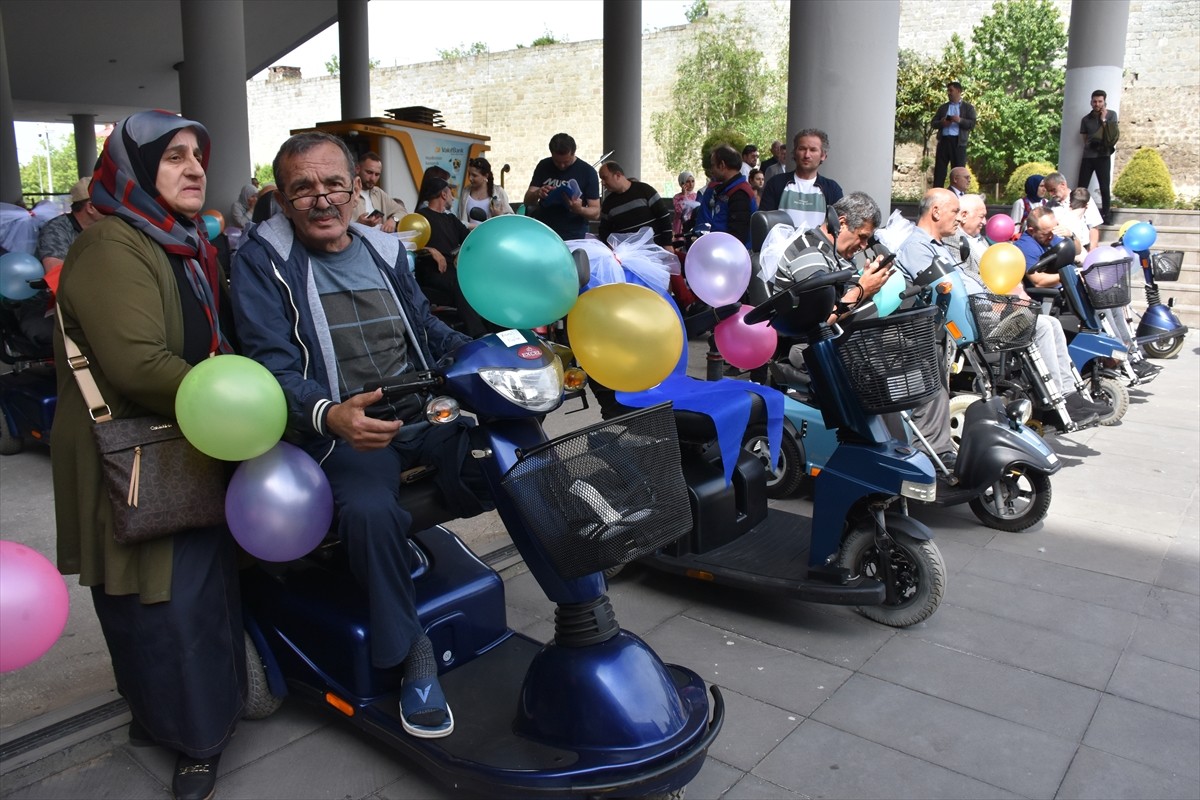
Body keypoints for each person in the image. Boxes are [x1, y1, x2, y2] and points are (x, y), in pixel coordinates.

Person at [232, 131, 484, 741]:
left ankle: (580, 603)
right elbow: (272, 367)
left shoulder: (384, 249)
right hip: (345, 431)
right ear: (282, 201)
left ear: (356, 189)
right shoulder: (262, 261)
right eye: (303, 189)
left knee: (509, 454)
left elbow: (425, 328)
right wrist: (329, 415)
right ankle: (412, 655)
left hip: (422, 411)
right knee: (371, 511)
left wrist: (489, 351)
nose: (322, 200)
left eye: (334, 185)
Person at [50, 110, 244, 800]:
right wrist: (242, 404)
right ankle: (193, 740)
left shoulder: (181, 240)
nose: (194, 168)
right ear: (132, 169)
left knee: (188, 590)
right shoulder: (113, 244)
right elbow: (137, 365)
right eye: (173, 156)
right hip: (135, 451)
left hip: (185, 436)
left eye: (198, 155)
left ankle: (180, 715)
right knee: (162, 597)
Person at [952, 193, 1106, 424]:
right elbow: (978, 282)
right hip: (986, 311)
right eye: (981, 216)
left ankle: (1068, 392)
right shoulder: (958, 243)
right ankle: (1056, 399)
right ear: (964, 216)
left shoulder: (980, 241)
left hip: (1001, 302)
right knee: (1042, 326)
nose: (985, 221)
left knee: (1052, 324)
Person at [894, 188, 962, 466]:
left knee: (939, 388)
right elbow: (942, 286)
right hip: (913, 332)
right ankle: (930, 451)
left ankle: (938, 448)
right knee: (931, 388)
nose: (959, 218)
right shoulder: (916, 247)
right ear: (935, 212)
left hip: (933, 330)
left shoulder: (939, 246)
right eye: (955, 211)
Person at [416, 177, 490, 337]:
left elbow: (469, 240)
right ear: (443, 194)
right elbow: (408, 244)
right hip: (433, 271)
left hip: (453, 269)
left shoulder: (450, 219)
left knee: (482, 277)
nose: (453, 197)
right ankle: (479, 335)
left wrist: (462, 252)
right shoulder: (420, 217)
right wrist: (430, 250)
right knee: (461, 282)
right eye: (450, 193)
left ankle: (497, 329)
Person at [760, 129, 844, 232]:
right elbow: (763, 225)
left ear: (823, 156)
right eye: (802, 149)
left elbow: (838, 229)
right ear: (794, 153)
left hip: (819, 243)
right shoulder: (776, 183)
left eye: (813, 150)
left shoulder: (832, 189)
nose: (807, 155)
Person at [523, 132, 600, 240]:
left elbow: (596, 212)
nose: (562, 166)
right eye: (557, 162)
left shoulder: (588, 172)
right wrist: (537, 193)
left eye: (566, 162)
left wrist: (580, 209)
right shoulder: (543, 165)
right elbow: (527, 200)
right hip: (545, 230)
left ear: (573, 153)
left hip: (573, 233)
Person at [597, 160, 673, 248]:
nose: (603, 183)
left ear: (618, 175)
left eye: (605, 178)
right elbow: (604, 230)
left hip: (654, 248)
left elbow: (664, 216)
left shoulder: (645, 190)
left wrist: (667, 243)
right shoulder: (608, 204)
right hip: (627, 253)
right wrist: (610, 244)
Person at [693, 144, 757, 248]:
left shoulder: (739, 193)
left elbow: (737, 237)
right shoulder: (727, 190)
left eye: (713, 165)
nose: (711, 170)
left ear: (722, 165)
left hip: (731, 254)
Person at [36, 177, 102, 269]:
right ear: (91, 207)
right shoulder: (54, 229)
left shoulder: (106, 227)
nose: (114, 208)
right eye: (108, 203)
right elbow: (56, 271)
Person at [1078, 89, 1119, 224]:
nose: (1097, 104)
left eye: (1100, 101)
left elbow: (1112, 134)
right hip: (1088, 156)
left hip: (1103, 155)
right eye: (1095, 101)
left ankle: (1106, 215)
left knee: (1104, 187)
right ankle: (1079, 213)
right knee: (1082, 186)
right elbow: (1085, 139)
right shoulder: (1086, 119)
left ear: (1104, 102)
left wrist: (1103, 120)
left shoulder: (1111, 115)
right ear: (1091, 102)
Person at [931, 81, 977, 190]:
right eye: (948, 91)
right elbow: (933, 123)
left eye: (951, 90)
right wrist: (942, 123)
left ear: (958, 91)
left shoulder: (968, 108)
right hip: (944, 141)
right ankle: (937, 194)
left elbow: (972, 124)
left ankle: (957, 196)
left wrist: (959, 120)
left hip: (958, 143)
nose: (949, 93)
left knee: (958, 173)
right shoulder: (943, 108)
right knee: (939, 171)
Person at [351, 151, 406, 232]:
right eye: (369, 172)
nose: (373, 178)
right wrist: (358, 224)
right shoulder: (346, 192)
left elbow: (402, 211)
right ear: (357, 169)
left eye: (377, 174)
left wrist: (393, 220)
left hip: (379, 239)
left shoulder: (378, 193)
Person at [458, 156, 513, 229]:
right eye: (469, 174)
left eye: (474, 175)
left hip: (492, 233)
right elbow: (461, 218)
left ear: (486, 176)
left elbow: (511, 218)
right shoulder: (466, 192)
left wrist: (499, 216)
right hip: (471, 235)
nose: (470, 178)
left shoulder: (498, 191)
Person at [1010, 174, 1045, 239]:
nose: (1044, 189)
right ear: (1033, 187)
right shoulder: (1021, 203)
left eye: (1045, 186)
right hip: (1025, 240)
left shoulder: (1046, 203)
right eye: (1041, 186)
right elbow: (1014, 227)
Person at [672, 170, 698, 240]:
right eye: (688, 182)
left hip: (692, 225)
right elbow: (679, 211)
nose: (691, 184)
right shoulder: (677, 197)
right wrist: (684, 195)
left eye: (693, 181)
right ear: (682, 183)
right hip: (680, 226)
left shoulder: (696, 196)